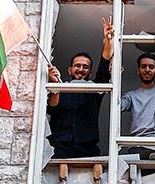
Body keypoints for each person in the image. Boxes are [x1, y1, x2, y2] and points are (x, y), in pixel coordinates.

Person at [46, 17, 115, 158]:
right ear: (69, 70)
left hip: (87, 146)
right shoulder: (62, 87)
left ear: (90, 72)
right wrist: (55, 85)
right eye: (77, 66)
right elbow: (52, 108)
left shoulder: (95, 89)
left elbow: (104, 63)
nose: (81, 69)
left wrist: (109, 40)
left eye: (85, 67)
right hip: (60, 145)